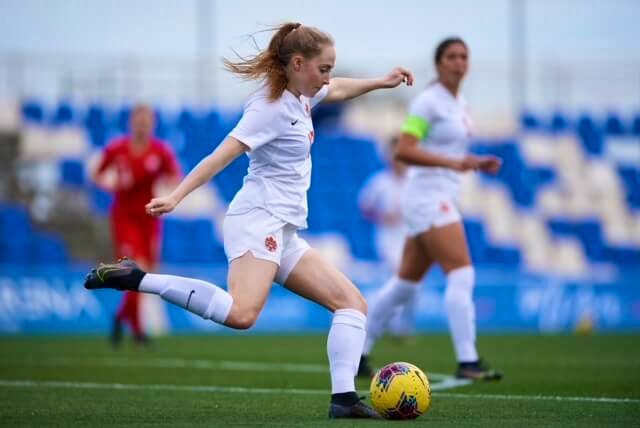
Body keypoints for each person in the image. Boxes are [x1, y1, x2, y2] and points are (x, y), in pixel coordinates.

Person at [84, 22, 413, 419]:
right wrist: (176, 196)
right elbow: (220, 156)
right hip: (257, 221)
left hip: (284, 228)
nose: (327, 77)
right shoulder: (269, 108)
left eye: (329, 68)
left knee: (352, 305)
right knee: (242, 314)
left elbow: (339, 88)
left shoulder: (302, 94)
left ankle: (343, 400)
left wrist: (382, 81)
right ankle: (137, 278)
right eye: (323, 68)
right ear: (297, 64)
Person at [357, 37, 504, 381]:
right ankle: (468, 361)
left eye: (464, 56)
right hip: (428, 197)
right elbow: (405, 150)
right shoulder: (428, 103)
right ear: (438, 64)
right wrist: (457, 163)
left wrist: (473, 163)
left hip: (436, 197)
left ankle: (359, 352)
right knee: (462, 273)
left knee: (404, 285)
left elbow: (450, 152)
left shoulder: (458, 102)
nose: (459, 62)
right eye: (451, 56)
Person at [92, 104, 181, 346]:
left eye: (147, 120)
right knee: (134, 268)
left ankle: (122, 318)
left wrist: (168, 188)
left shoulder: (160, 151)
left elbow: (175, 176)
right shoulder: (117, 149)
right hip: (124, 217)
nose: (142, 125)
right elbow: (97, 174)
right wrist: (111, 183)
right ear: (132, 122)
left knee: (143, 275)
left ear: (152, 124)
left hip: (149, 219)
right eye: (139, 120)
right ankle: (139, 330)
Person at [358, 136, 416, 338]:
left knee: (412, 284)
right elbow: (364, 208)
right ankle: (386, 321)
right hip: (388, 238)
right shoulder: (379, 182)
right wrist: (382, 216)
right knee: (399, 275)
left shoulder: (415, 180)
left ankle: (403, 323)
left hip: (411, 237)